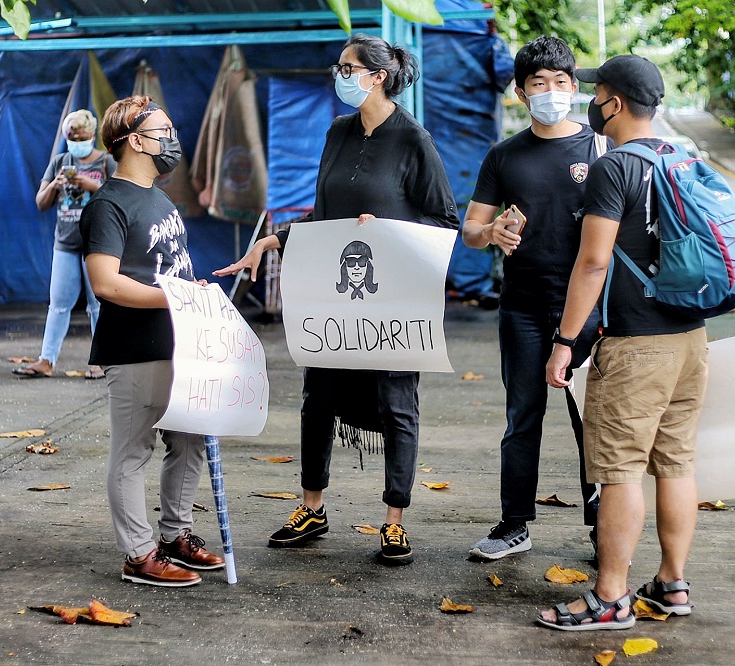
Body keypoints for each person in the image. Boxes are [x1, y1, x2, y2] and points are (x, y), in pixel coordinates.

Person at [214, 34, 459, 566]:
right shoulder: (337, 132)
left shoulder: (413, 140)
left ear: (377, 77)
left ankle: (394, 521)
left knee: (397, 405)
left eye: (348, 68)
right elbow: (323, 215)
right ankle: (312, 506)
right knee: (318, 398)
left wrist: (389, 230)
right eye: (339, 66)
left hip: (390, 303)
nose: (339, 74)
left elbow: (444, 221)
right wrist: (272, 238)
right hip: (334, 298)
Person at [538, 55, 708, 630]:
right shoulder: (683, 158)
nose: (592, 102)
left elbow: (592, 264)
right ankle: (671, 584)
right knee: (676, 464)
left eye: (597, 93)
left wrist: (565, 342)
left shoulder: (615, 169)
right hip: (691, 340)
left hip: (636, 347)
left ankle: (610, 597)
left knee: (620, 470)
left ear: (613, 103)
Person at [461, 36, 604, 561]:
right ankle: (513, 524)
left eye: (561, 83)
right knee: (522, 416)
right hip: (521, 307)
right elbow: (470, 228)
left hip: (586, 311)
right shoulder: (504, 156)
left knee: (591, 421)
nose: (551, 92)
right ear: (521, 93)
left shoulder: (599, 149)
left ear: (573, 87)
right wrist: (491, 232)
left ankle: (601, 527)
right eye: (539, 84)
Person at [80, 95, 225, 587]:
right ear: (135, 141)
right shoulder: (107, 205)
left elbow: (167, 268)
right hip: (135, 348)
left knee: (189, 444)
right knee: (132, 452)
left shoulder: (159, 197)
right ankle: (138, 555)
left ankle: (174, 536)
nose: (172, 140)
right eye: (163, 131)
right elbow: (106, 283)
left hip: (181, 345)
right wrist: (173, 299)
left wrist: (191, 295)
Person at [14, 110, 116, 379]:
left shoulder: (107, 162)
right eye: (70, 137)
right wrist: (54, 186)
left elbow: (119, 197)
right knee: (58, 303)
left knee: (98, 303)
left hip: (97, 244)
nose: (75, 141)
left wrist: (90, 184)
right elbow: (41, 203)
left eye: (80, 137)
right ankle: (46, 360)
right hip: (65, 243)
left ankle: (101, 360)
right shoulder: (60, 161)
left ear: (92, 136)